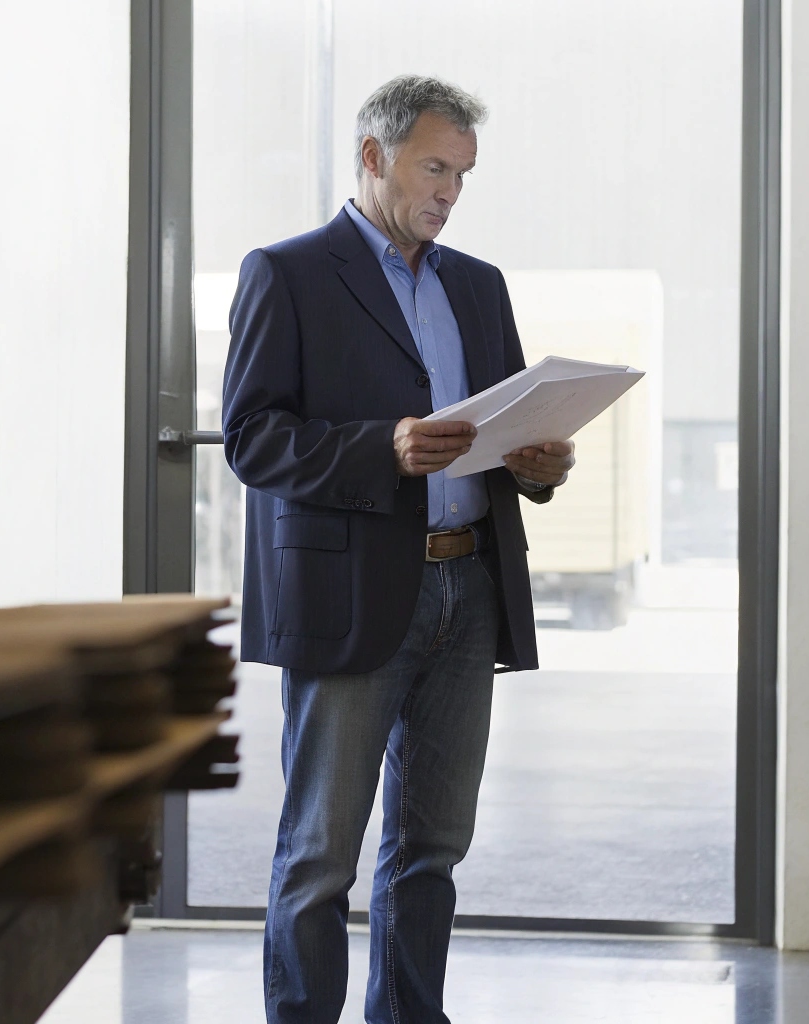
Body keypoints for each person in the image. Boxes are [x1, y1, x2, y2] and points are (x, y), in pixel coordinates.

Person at [221, 74, 578, 1024]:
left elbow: (503, 433)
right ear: (375, 157)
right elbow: (253, 438)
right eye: (434, 168)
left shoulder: (477, 285)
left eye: (462, 174)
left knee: (432, 848)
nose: (450, 192)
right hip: (355, 602)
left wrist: (541, 461)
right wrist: (381, 448)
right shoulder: (287, 273)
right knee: (320, 855)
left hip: (469, 591)